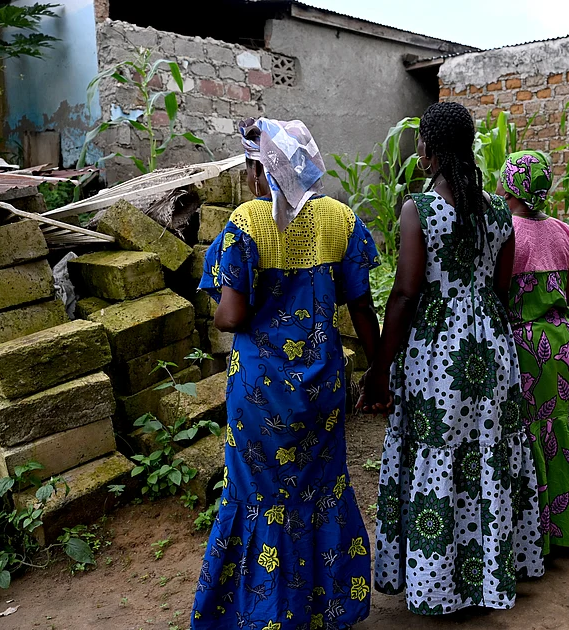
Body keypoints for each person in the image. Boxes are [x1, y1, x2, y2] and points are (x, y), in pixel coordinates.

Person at [191, 117, 381, 630]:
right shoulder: (340, 219)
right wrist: (380, 369)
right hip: (321, 386)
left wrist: (227, 308)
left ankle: (264, 612)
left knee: (259, 497)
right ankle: (324, 607)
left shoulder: (247, 225)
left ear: (261, 170)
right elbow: (362, 307)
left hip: (260, 394)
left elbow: (230, 316)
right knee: (319, 491)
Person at [360, 102, 543, 615]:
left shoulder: (420, 208)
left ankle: (437, 587)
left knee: (438, 458)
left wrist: (378, 370)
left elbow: (404, 294)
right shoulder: (498, 210)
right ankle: (485, 581)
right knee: (486, 456)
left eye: (420, 142)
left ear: (430, 150)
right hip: (491, 349)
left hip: (437, 354)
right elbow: (501, 287)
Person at [500, 150, 569, 555]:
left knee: (528, 434)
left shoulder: (506, 233)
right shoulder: (563, 232)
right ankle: (566, 525)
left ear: (509, 185)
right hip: (563, 345)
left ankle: (534, 536)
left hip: (526, 347)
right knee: (561, 429)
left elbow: (498, 293)